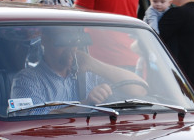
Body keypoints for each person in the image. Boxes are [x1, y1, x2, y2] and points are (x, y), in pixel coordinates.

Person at [9, 26, 145, 109]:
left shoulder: (90, 73)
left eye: (74, 42)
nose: (70, 49)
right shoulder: (27, 80)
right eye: (62, 42)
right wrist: (86, 104)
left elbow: (140, 89)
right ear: (45, 40)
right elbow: (34, 122)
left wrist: (94, 64)